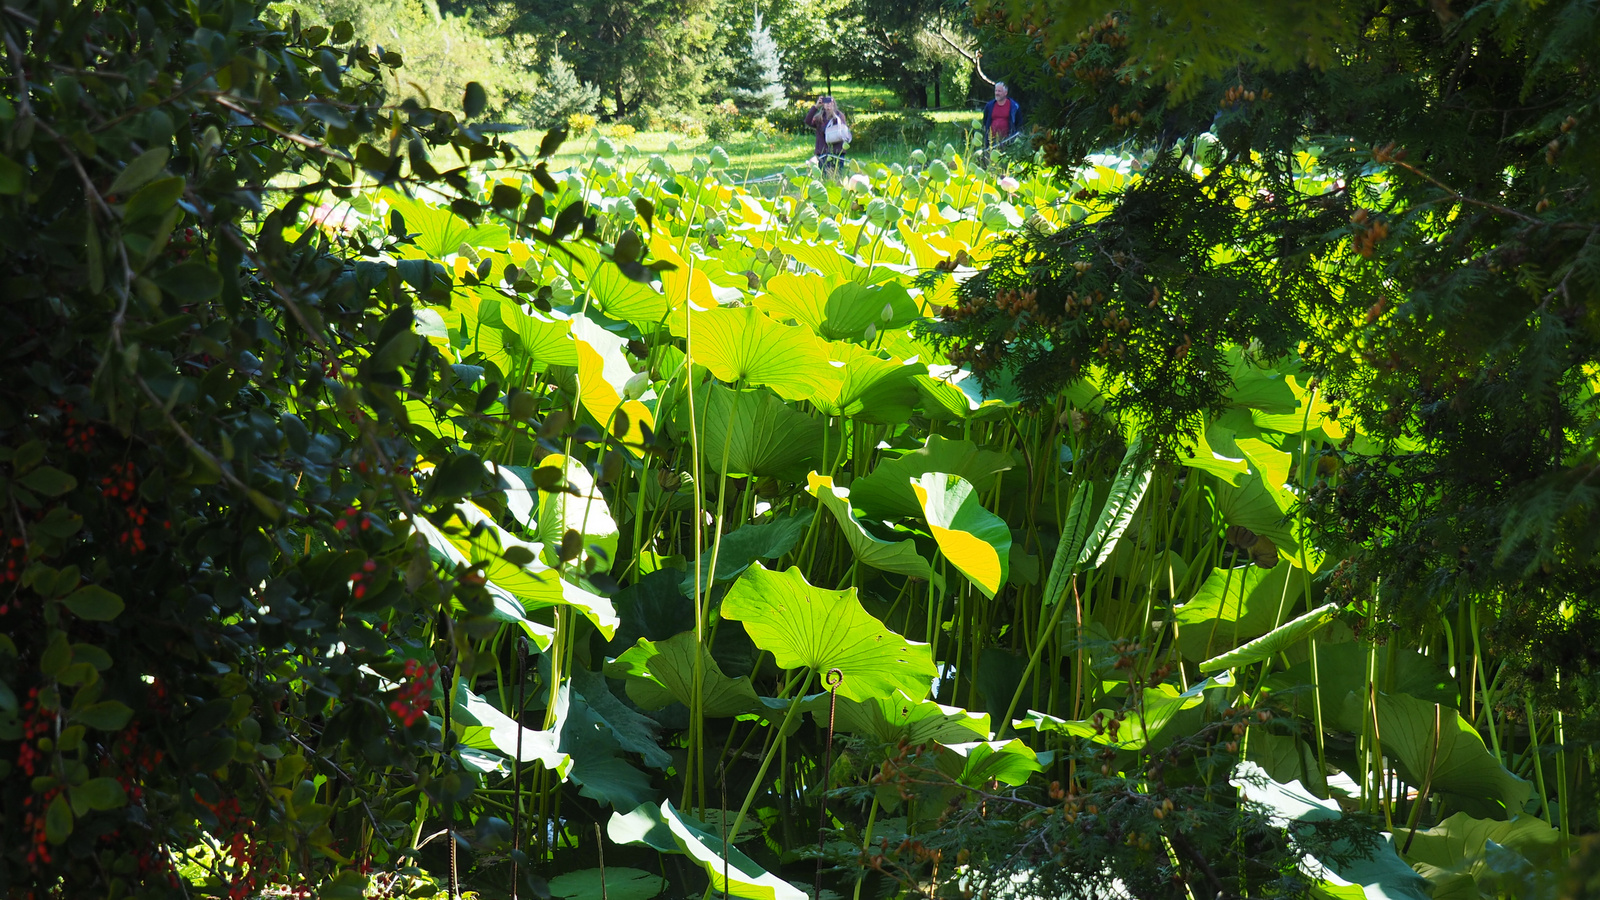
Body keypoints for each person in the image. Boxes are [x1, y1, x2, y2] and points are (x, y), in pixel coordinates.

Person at [804, 95, 849, 175]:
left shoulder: (839, 116)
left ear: (833, 103)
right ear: (823, 104)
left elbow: (842, 130)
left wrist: (833, 113)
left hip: (837, 152)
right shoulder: (819, 118)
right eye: (826, 102)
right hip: (823, 153)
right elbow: (808, 121)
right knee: (824, 176)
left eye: (830, 102)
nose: (828, 104)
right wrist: (816, 106)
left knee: (837, 175)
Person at [981, 82, 1023, 150]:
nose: (997, 93)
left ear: (1005, 93)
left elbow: (1019, 122)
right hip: (992, 141)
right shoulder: (989, 106)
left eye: (999, 91)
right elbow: (985, 121)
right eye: (996, 90)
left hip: (1007, 140)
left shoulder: (1014, 106)